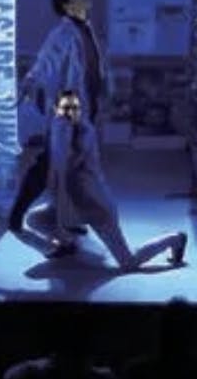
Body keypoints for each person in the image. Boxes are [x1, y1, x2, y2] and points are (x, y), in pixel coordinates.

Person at [27, 90, 187, 270]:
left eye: (74, 108)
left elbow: (67, 167)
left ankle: (175, 239)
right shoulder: (58, 127)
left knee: (128, 262)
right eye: (65, 108)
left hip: (95, 205)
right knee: (34, 219)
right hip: (70, 205)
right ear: (56, 109)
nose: (70, 113)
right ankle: (70, 243)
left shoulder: (84, 133)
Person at [9, 0, 106, 232]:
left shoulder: (84, 29)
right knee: (55, 159)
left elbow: (92, 69)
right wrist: (30, 81)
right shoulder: (63, 33)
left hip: (84, 102)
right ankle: (23, 214)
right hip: (69, 100)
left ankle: (66, 217)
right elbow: (45, 61)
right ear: (67, 6)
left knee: (73, 161)